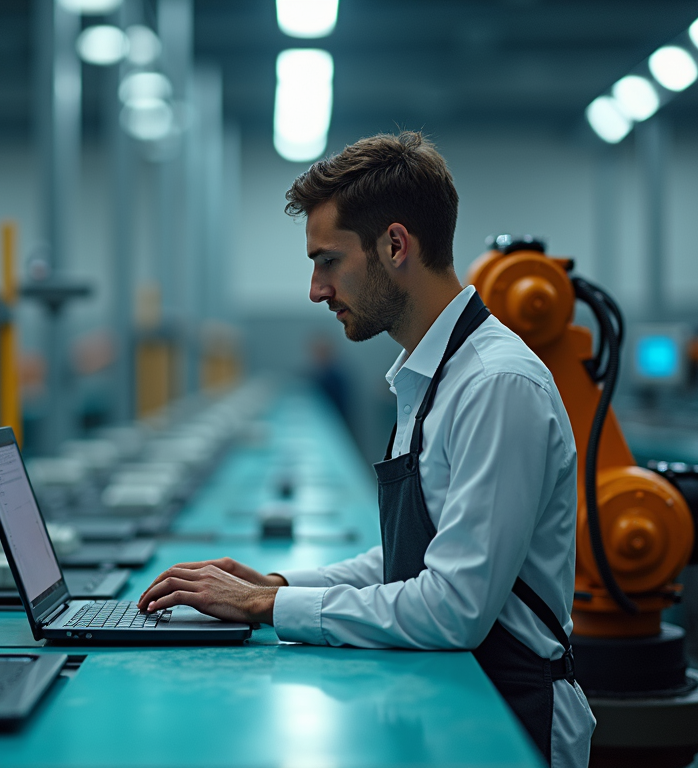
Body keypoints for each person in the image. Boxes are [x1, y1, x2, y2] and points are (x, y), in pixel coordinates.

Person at [137, 131, 595, 767]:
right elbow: (414, 559)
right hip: (459, 698)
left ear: (395, 245)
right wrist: (273, 582)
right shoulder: (433, 375)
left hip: (510, 720)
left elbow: (454, 607)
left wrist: (272, 606)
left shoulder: (495, 385)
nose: (315, 289)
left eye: (327, 261)